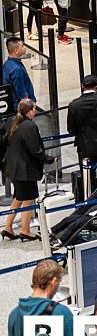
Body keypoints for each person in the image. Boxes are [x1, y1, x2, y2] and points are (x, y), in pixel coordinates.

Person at [0, 102, 47, 240]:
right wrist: (48, 159)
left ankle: (7, 227)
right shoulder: (29, 126)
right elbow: (35, 149)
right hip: (25, 170)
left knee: (18, 197)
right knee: (28, 198)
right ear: (29, 111)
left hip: (12, 168)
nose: (35, 111)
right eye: (34, 109)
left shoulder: (11, 121)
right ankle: (25, 230)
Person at [2, 37, 34, 103]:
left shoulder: (7, 64)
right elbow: (21, 93)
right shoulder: (16, 69)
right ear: (16, 51)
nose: (24, 48)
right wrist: (29, 104)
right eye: (22, 46)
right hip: (21, 105)